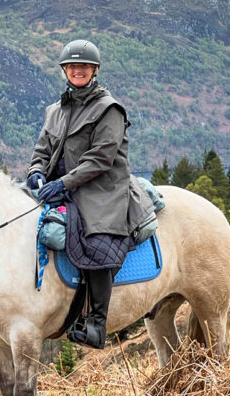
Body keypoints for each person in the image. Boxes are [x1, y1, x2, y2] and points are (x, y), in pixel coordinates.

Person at [26, 39, 153, 349]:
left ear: (94, 70)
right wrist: (36, 172)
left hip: (101, 188)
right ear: (65, 71)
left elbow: (101, 159)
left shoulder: (109, 109)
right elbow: (43, 148)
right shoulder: (55, 110)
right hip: (62, 183)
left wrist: (64, 183)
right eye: (72, 67)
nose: (77, 71)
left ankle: (96, 322)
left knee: (97, 241)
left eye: (83, 67)